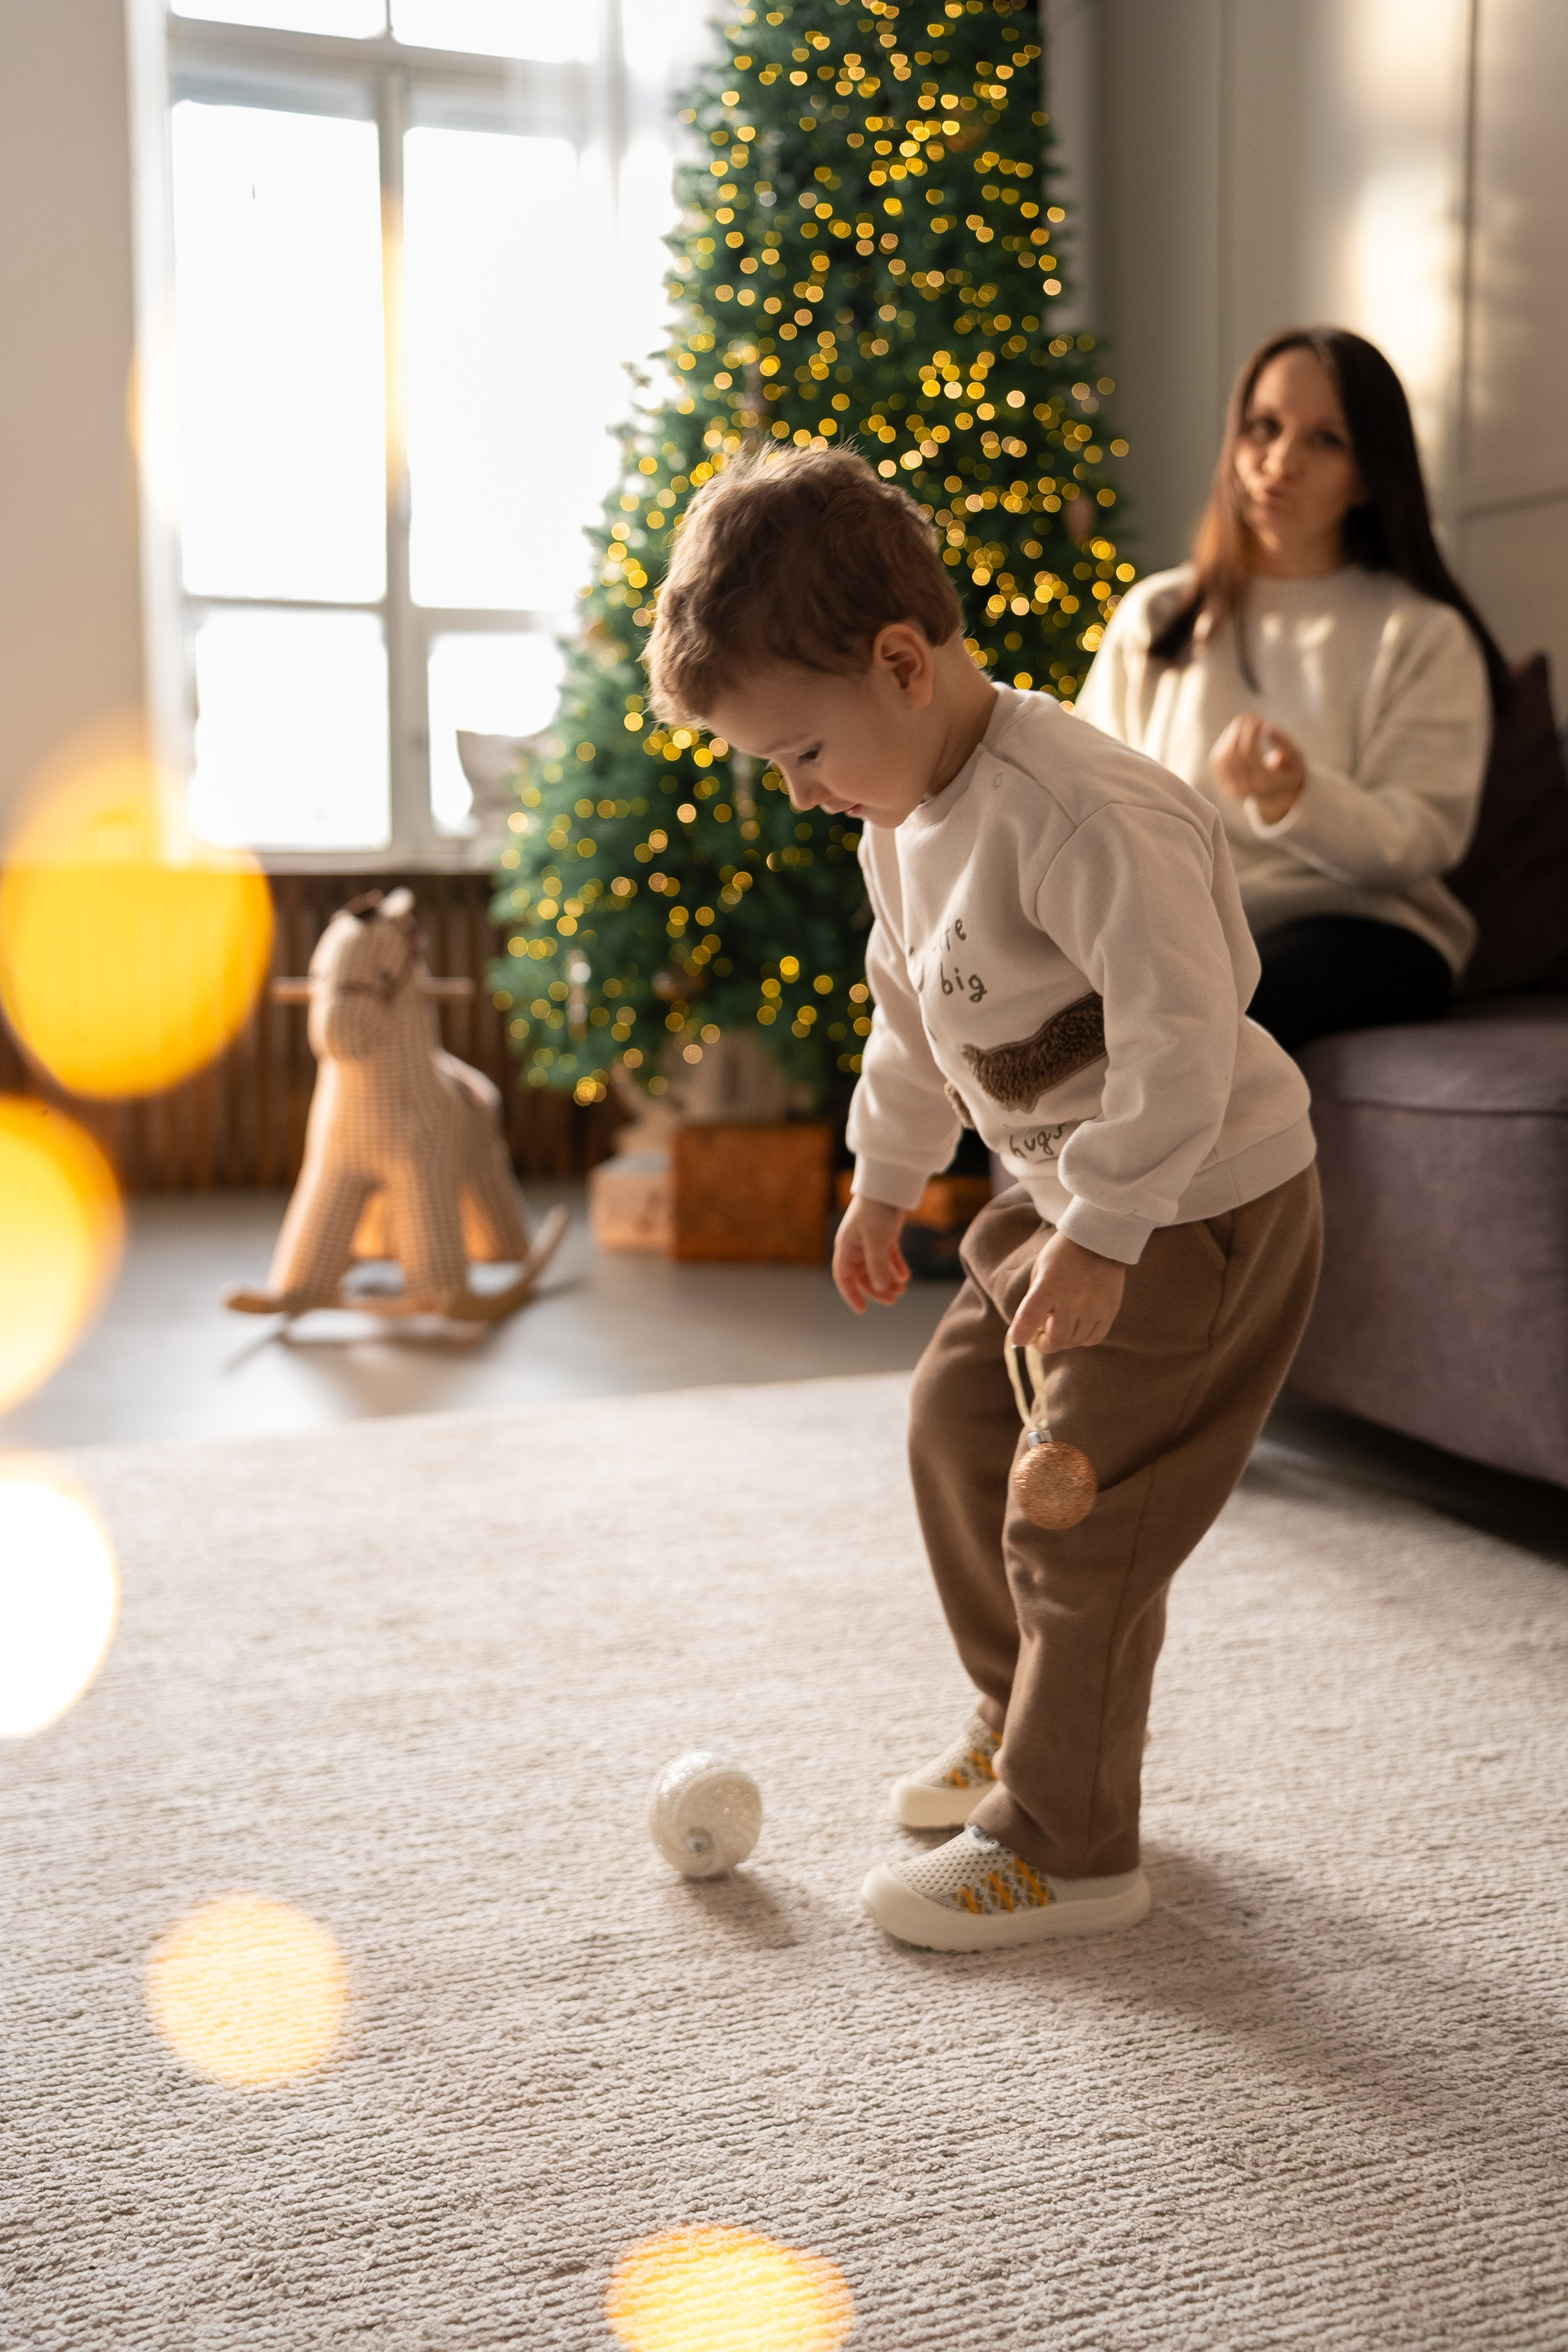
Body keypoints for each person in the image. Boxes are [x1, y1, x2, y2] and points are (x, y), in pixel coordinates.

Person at [646, 445, 1323, 1952]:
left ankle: (1067, 1841)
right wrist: (881, 1185)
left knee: (1071, 1505)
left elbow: (1180, 1039)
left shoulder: (1078, 811)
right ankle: (1018, 1718)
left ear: (900, 663)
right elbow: (914, 1019)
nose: (806, 794)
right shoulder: (901, 822)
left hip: (1193, 1199)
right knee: (955, 1421)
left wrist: (1103, 1232)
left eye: (802, 752)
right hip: (1054, 1188)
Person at [1077, 327, 1507, 1052]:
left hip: (1365, 934)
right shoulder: (1157, 616)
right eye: (1263, 429)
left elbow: (1418, 841)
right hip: (1182, 933)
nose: (1279, 463)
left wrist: (1296, 803)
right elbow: (1085, 804)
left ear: (1368, 475)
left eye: (1325, 441)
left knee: (1200, 1008)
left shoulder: (1421, 633)